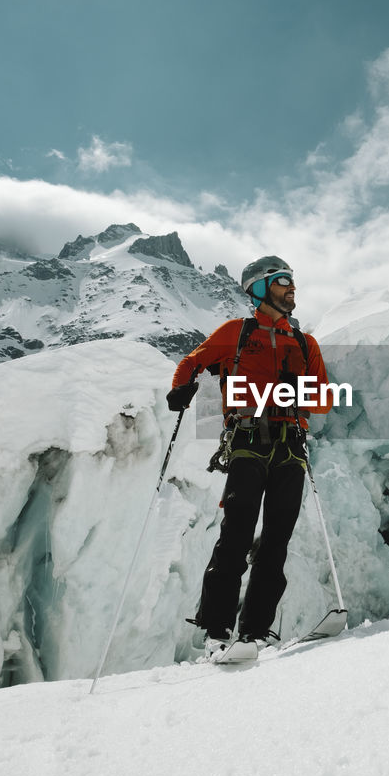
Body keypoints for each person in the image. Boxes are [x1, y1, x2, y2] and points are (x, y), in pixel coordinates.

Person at [166, 255, 332, 661]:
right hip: (246, 442)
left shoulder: (305, 343)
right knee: (236, 536)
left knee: (276, 542)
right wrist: (180, 388)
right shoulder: (235, 334)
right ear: (259, 288)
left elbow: (324, 400)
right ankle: (216, 632)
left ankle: (255, 632)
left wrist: (299, 390)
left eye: (292, 281)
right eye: (281, 281)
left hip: (290, 445)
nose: (291, 288)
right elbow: (191, 362)